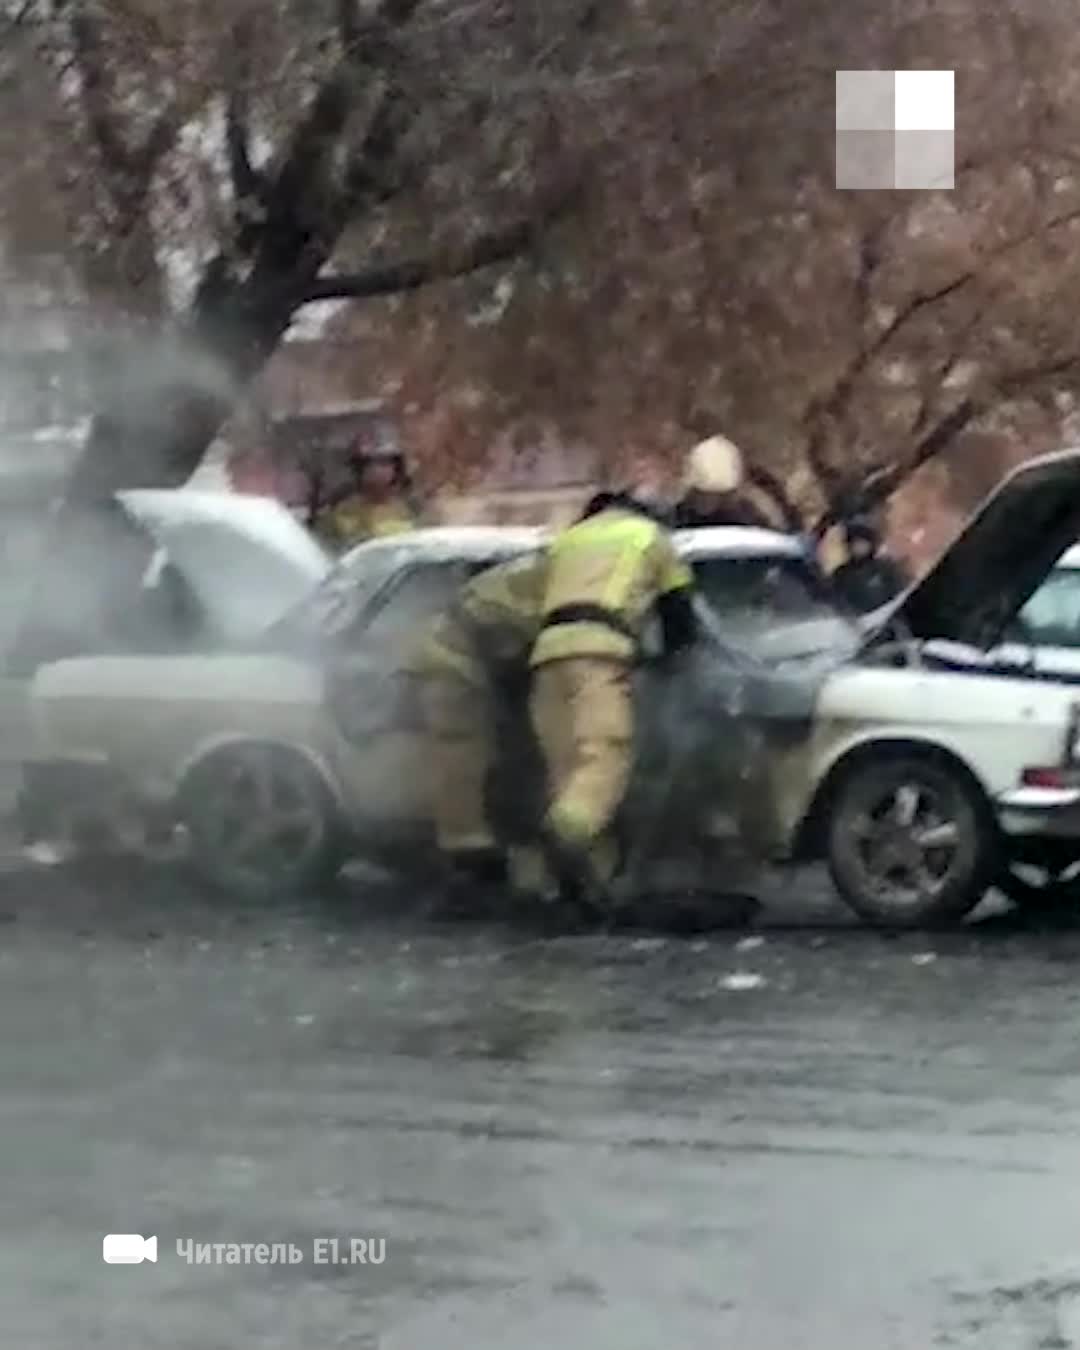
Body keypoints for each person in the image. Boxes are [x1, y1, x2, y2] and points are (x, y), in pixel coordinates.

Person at [528, 482, 699, 910]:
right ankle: (561, 837)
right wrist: (669, 660)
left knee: (568, 771)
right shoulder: (650, 538)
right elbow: (680, 614)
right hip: (598, 655)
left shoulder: (570, 538)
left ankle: (582, 889)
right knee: (606, 759)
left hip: (547, 657)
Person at [411, 554, 554, 912]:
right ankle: (471, 871)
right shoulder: (559, 582)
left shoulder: (548, 570)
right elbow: (508, 648)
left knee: (477, 766)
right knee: (465, 764)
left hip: (462, 661)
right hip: (453, 666)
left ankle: (477, 867)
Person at [318, 445, 421, 551]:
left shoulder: (411, 510)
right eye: (370, 464)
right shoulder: (343, 512)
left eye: (384, 464)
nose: (378, 470)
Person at [671, 435, 775, 530]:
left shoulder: (753, 517)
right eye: (704, 494)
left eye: (717, 495)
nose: (708, 501)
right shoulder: (679, 516)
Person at [830, 516, 907, 614]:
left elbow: (898, 596)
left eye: (862, 542)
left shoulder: (885, 568)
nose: (857, 546)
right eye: (854, 542)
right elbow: (836, 602)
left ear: (870, 544)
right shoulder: (840, 573)